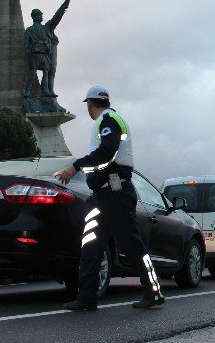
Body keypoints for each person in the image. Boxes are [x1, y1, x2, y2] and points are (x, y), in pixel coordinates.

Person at [57, 86, 164, 311]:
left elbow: (107, 152)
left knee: (133, 245)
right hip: (102, 195)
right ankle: (86, 296)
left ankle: (153, 291)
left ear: (89, 104)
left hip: (116, 194)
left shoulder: (109, 120)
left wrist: (75, 166)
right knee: (91, 245)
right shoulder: (107, 121)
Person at [22, 0, 70, 98]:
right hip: (35, 54)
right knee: (32, 73)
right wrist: (28, 53)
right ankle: (27, 91)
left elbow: (55, 18)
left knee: (46, 72)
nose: (41, 16)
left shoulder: (46, 27)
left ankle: (45, 91)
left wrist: (63, 7)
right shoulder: (29, 30)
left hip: (44, 54)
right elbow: (26, 44)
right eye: (40, 15)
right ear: (35, 16)